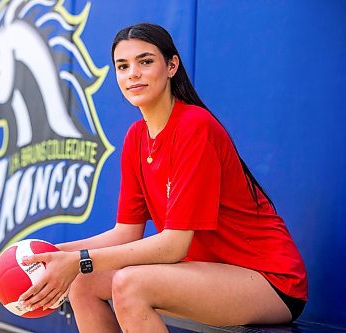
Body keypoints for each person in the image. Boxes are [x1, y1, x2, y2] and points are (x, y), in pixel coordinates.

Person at [19, 23, 308, 332]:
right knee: (83, 283)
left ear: (172, 66)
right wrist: (54, 254)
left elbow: (174, 247)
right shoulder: (135, 138)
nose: (133, 73)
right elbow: (126, 233)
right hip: (207, 272)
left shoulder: (195, 127)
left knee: (130, 284)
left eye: (145, 61)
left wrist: (80, 259)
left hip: (270, 280)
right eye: (123, 66)